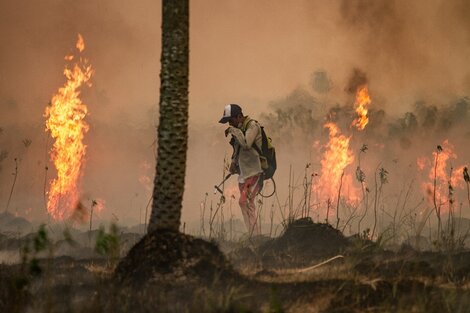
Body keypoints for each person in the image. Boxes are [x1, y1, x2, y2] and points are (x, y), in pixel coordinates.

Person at [219, 104, 263, 236]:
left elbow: (246, 144)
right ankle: (253, 235)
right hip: (243, 174)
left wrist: (233, 131)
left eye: (231, 121)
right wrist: (233, 163)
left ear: (239, 117)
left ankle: (255, 236)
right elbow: (238, 149)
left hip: (255, 172)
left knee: (244, 202)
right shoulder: (239, 129)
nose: (230, 124)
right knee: (246, 204)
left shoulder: (252, 126)